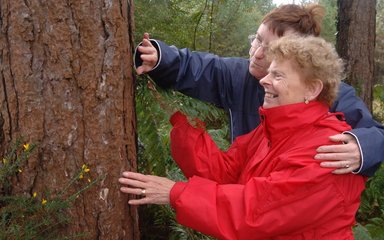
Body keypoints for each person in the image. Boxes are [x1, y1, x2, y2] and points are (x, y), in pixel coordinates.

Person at [120, 35, 366, 239]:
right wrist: (182, 125)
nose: (265, 81)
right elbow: (225, 174)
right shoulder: (272, 130)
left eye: (278, 76)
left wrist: (177, 193)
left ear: (312, 89)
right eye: (269, 72)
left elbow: (255, 211)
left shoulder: (330, 151)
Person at [134, 4, 384, 176]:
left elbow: (376, 134)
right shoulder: (238, 75)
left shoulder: (332, 93)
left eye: (272, 49)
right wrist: (159, 57)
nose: (257, 53)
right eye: (257, 39)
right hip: (246, 191)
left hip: (299, 205)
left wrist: (360, 147)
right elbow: (196, 67)